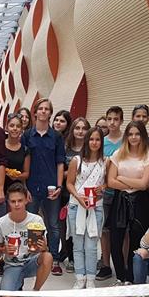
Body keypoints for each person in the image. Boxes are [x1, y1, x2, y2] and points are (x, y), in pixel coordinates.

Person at [106, 122, 149, 284]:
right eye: (130, 134)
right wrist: (134, 183)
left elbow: (144, 184)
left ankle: (131, 277)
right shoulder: (118, 154)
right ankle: (120, 276)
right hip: (120, 200)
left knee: (136, 240)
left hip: (140, 201)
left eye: (137, 134)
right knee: (116, 240)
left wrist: (121, 178)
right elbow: (110, 182)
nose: (134, 137)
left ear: (143, 136)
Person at [0, 182, 53, 297]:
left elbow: (46, 249)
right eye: (13, 201)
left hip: (32, 261)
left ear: (27, 200)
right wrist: (4, 250)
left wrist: (43, 247)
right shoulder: (1, 222)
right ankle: (17, 283)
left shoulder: (36, 220)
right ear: (8, 202)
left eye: (20, 200)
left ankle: (35, 293)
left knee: (47, 257)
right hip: (12, 264)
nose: (17, 205)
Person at [22, 98, 65, 266]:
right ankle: (33, 257)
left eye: (47, 109)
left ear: (50, 113)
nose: (43, 111)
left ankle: (53, 258)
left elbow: (60, 163)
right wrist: (24, 187)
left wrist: (59, 186)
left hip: (51, 187)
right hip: (32, 187)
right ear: (35, 112)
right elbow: (23, 163)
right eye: (40, 108)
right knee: (32, 224)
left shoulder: (56, 136)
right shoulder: (27, 135)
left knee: (53, 224)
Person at [65, 126, 106, 289]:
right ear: (87, 141)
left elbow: (108, 182)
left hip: (96, 207)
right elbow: (69, 183)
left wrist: (103, 188)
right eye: (91, 139)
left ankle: (90, 278)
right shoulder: (77, 160)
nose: (94, 142)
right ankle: (79, 278)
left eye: (98, 139)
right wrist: (78, 197)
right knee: (78, 245)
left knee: (91, 246)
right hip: (77, 206)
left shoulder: (105, 161)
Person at [58, 117, 90, 275]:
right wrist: (71, 172)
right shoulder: (65, 147)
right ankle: (70, 257)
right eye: (77, 128)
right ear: (72, 130)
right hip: (67, 192)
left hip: (87, 195)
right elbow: (60, 170)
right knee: (68, 227)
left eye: (84, 128)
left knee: (85, 227)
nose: (80, 131)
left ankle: (86, 258)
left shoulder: (92, 148)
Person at [98, 106, 125, 281]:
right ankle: (106, 265)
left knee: (125, 230)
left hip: (124, 190)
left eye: (116, 119)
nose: (112, 122)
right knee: (104, 230)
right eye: (109, 119)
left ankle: (124, 265)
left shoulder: (127, 141)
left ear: (121, 121)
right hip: (105, 191)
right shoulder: (101, 141)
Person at [3, 113, 30, 194]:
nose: (15, 128)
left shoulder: (25, 149)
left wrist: (17, 176)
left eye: (18, 126)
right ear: (6, 127)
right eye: (12, 126)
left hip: (17, 190)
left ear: (21, 129)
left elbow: (26, 173)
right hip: (0, 189)